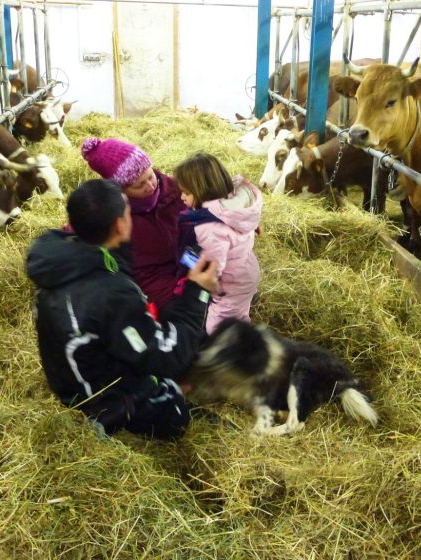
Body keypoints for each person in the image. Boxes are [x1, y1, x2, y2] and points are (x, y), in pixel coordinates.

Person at [26, 179, 218, 439]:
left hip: (72, 372)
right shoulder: (110, 293)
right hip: (94, 399)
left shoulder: (67, 255)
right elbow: (165, 355)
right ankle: (124, 414)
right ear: (119, 225)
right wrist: (198, 292)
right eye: (128, 211)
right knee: (175, 414)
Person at [81, 137, 186, 311]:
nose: (151, 186)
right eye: (139, 185)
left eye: (151, 176)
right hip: (152, 279)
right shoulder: (113, 213)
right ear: (121, 190)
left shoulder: (176, 188)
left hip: (187, 262)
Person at [173, 152, 263, 334]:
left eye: (187, 193)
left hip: (232, 284)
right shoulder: (231, 206)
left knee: (218, 328)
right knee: (238, 314)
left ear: (202, 191)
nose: (182, 197)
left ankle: (237, 350)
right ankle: (244, 329)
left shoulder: (209, 228)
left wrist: (194, 270)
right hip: (245, 268)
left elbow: (213, 269)